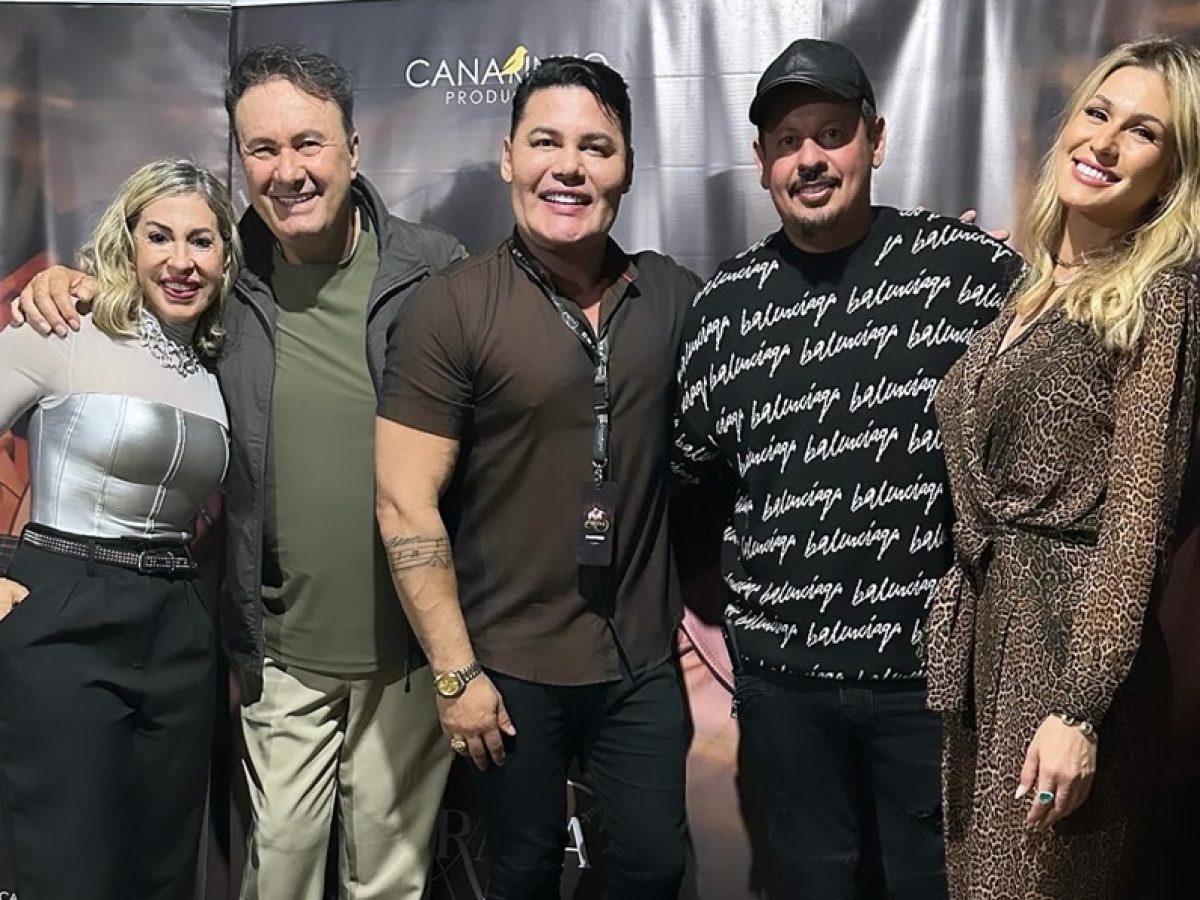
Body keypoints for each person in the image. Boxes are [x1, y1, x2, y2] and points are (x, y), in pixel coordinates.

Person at [12, 44, 466, 900]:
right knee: (261, 875)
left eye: (308, 143)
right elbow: (135, 315)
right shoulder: (227, 279)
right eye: (262, 148)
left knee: (383, 884)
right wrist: (69, 285)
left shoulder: (435, 269)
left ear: (354, 148)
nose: (287, 171)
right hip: (275, 655)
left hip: (400, 648)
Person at [673, 39, 1021, 900]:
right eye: (788, 142)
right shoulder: (723, 310)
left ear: (876, 139)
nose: (810, 159)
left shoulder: (970, 274)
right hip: (783, 685)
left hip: (932, 680)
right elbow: (690, 485)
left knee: (934, 884)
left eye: (832, 134)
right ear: (761, 161)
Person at [374, 56, 701, 900]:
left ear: (627, 167)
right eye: (546, 142)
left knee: (654, 868)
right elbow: (404, 502)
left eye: (596, 147)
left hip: (638, 662)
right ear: (507, 157)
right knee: (517, 875)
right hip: (505, 667)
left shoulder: (672, 295)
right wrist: (456, 674)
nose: (569, 167)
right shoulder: (452, 305)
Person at [925, 37, 1200, 898]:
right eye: (1098, 113)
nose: (1106, 143)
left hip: (1066, 650)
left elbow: (1138, 516)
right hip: (988, 641)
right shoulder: (1033, 290)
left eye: (1144, 132)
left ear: (1173, 174)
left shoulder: (1158, 296)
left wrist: (1080, 707)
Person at [0, 158, 239, 900]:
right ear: (126, 241)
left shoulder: (216, 366)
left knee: (161, 872)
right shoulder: (60, 328)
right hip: (65, 613)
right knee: (65, 868)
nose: (180, 261)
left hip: (179, 628)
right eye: (159, 236)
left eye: (201, 241)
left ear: (225, 257)